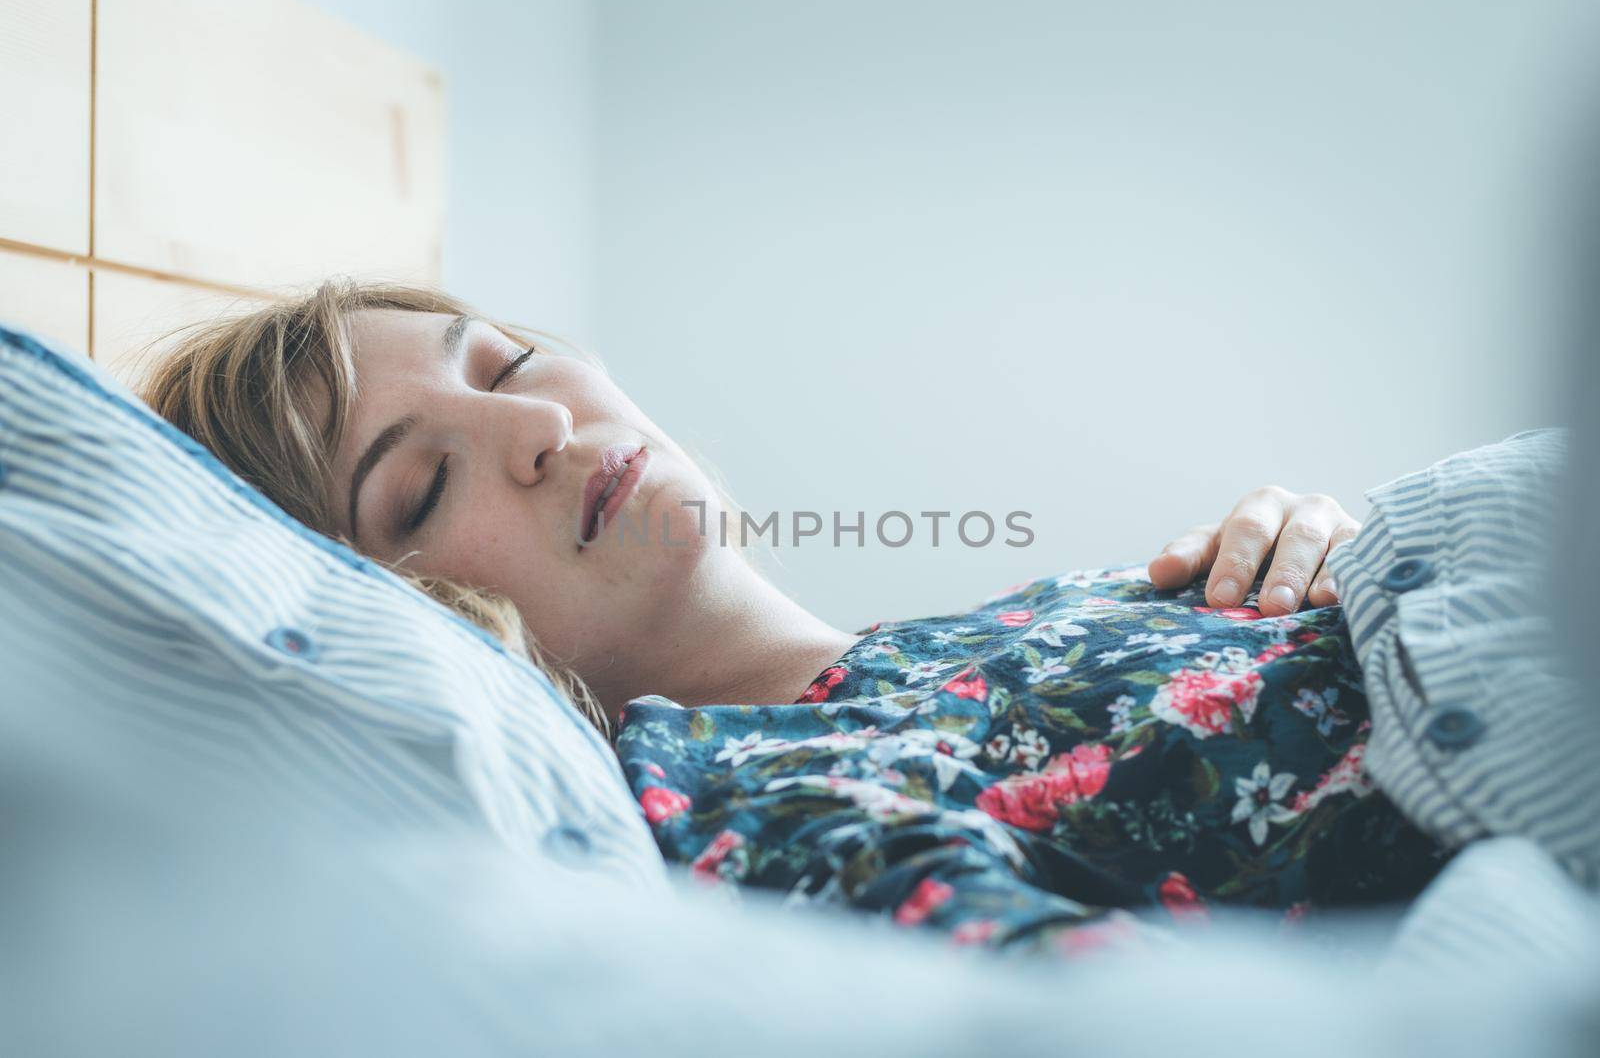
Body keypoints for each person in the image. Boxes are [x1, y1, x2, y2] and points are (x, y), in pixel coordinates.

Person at [135, 280, 1528, 951]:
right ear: (401, 613)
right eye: (425, 482)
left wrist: (1350, 562)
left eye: (507, 361)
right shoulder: (745, 816)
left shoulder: (990, 629)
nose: (540, 424)